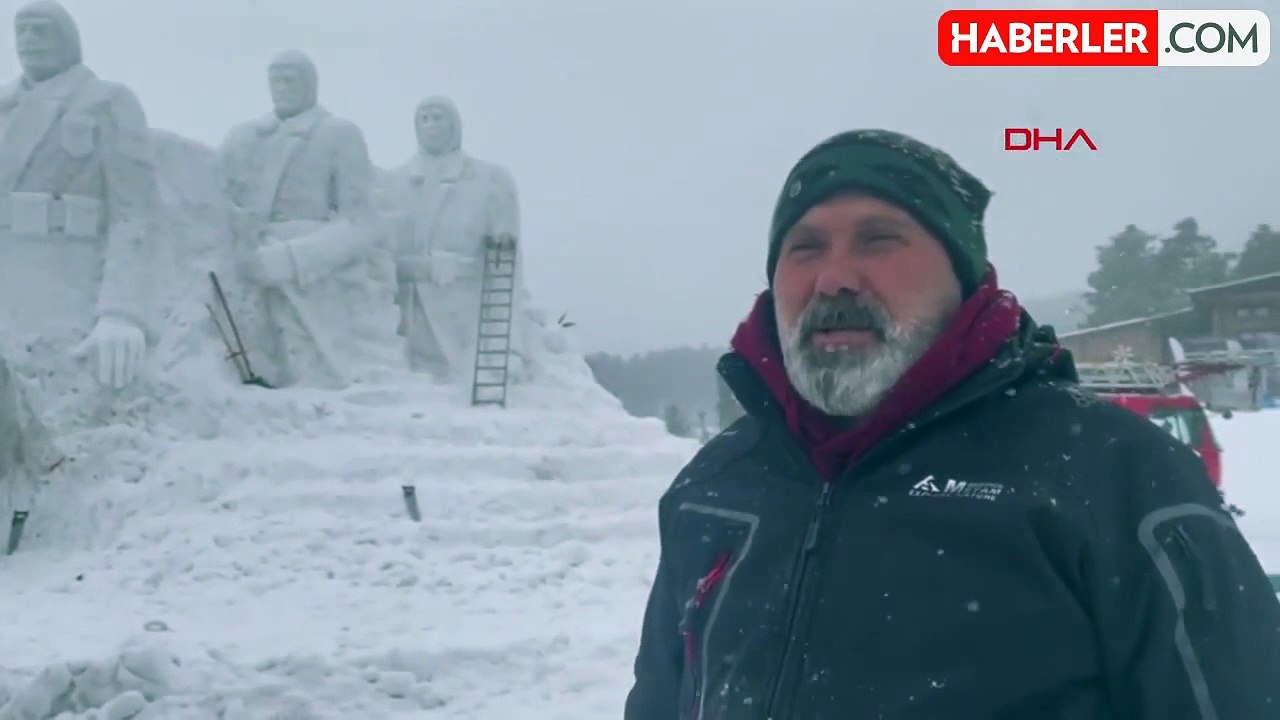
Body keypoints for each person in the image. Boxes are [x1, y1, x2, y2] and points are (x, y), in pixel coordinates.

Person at [623, 129, 1280, 719]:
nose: (834, 278)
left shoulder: (1112, 472)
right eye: (805, 248)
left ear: (965, 278)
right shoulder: (717, 483)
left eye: (879, 240)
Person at [218, 50, 388, 389]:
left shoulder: (338, 133)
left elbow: (362, 222)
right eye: (275, 80)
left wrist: (294, 258)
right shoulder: (243, 137)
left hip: (309, 268)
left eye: (290, 79)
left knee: (317, 367)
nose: (282, 87)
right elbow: (217, 197)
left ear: (310, 84)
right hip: (247, 256)